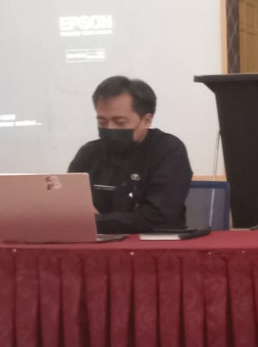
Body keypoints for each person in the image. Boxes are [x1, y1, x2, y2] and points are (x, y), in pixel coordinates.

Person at [68, 76, 192, 233]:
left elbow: (158, 217)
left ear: (146, 120)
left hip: (153, 242)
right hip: (95, 241)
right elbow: (68, 204)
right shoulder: (89, 153)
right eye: (102, 122)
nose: (110, 128)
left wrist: (96, 221)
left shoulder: (168, 150)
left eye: (120, 122)